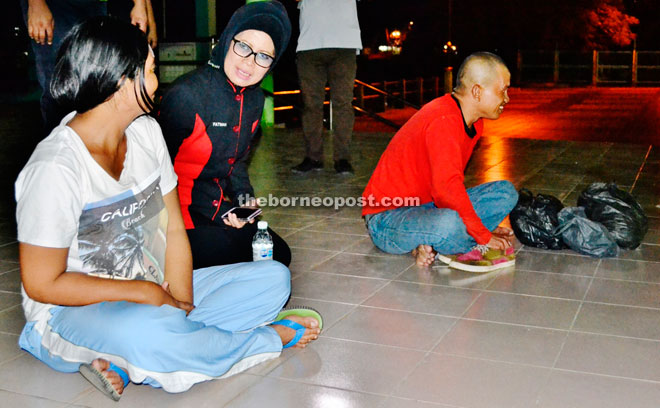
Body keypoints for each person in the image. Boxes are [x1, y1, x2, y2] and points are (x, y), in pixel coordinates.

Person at [15, 16, 321, 401]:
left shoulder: (145, 132)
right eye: (151, 70)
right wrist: (149, 295)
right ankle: (264, 339)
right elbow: (43, 284)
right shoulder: (56, 167)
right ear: (120, 82)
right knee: (153, 332)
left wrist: (182, 301)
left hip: (151, 286)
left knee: (274, 278)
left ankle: (141, 356)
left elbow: (174, 230)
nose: (158, 81)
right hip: (73, 309)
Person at [158, 0, 292, 269]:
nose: (249, 63)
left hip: (216, 210)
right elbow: (151, 172)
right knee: (224, 251)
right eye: (243, 46)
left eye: (264, 56)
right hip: (173, 215)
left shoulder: (255, 101)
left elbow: (237, 163)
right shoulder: (186, 96)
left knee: (277, 253)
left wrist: (244, 201)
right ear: (227, 41)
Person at [361, 52, 519, 272]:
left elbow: (447, 191)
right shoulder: (444, 119)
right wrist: (482, 235)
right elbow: (446, 190)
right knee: (448, 224)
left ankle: (431, 242)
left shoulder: (474, 124)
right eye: (502, 90)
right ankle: (451, 242)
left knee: (506, 192)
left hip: (427, 206)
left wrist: (476, 227)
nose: (507, 98)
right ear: (477, 91)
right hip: (387, 219)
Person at [20, 0, 156, 134]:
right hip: (55, 6)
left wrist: (140, 4)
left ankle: (95, 143)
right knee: (58, 85)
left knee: (97, 80)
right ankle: (62, 144)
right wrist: (36, 3)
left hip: (95, 4)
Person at [290, 0, 362, 174]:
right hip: (310, 43)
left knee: (343, 104)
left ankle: (342, 158)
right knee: (310, 105)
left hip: (345, 43)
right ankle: (313, 158)